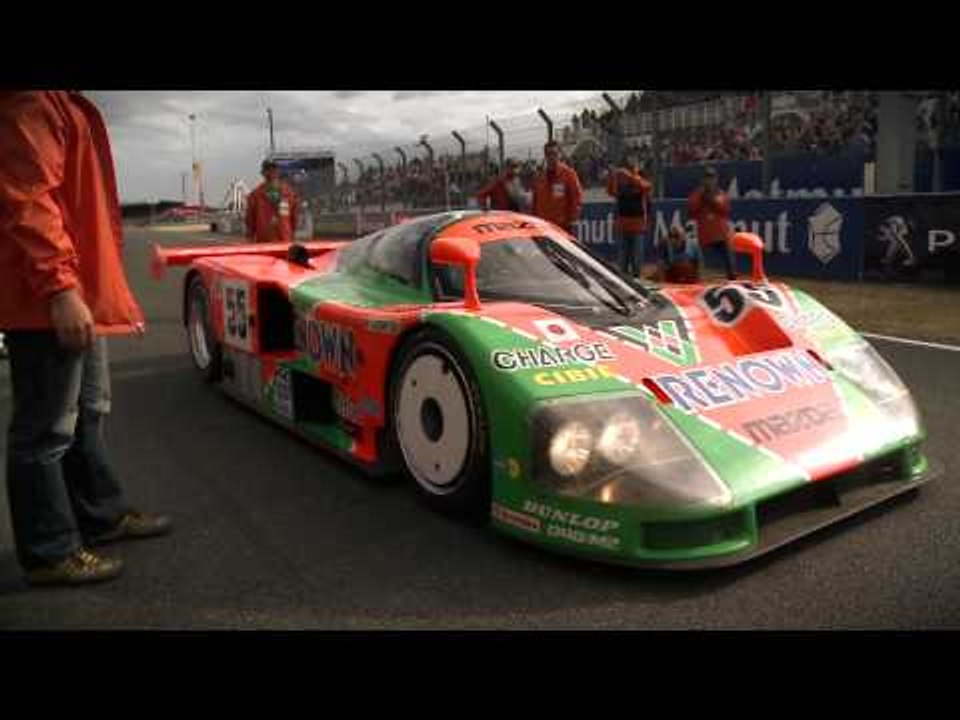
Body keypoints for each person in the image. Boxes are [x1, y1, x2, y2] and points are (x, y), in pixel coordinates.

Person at [0, 91, 171, 586]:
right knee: (45, 430)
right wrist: (59, 288)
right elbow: (29, 199)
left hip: (76, 292)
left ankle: (101, 515)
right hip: (48, 299)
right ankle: (50, 551)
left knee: (87, 411)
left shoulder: (63, 100)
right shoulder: (32, 98)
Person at [606, 151, 652, 278]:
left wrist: (631, 177)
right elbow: (610, 191)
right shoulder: (619, 178)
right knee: (622, 262)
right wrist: (611, 176)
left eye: (634, 160)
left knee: (637, 261)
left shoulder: (642, 175)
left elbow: (647, 187)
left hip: (638, 225)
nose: (632, 162)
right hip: (622, 224)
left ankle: (636, 284)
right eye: (629, 159)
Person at [687, 166, 736, 280]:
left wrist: (711, 200)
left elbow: (726, 210)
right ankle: (696, 278)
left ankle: (732, 278)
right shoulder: (697, 194)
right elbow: (691, 211)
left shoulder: (720, 193)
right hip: (704, 234)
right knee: (697, 257)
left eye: (712, 177)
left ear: (716, 179)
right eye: (707, 177)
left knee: (729, 255)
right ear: (703, 180)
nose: (709, 180)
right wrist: (701, 198)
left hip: (720, 233)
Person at [531, 140, 583, 234]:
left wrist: (573, 221)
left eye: (554, 153)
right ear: (545, 156)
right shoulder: (539, 177)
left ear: (559, 155)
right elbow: (535, 202)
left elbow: (577, 199)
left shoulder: (569, 174)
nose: (551, 157)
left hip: (563, 227)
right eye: (548, 154)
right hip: (544, 227)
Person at [245, 159, 299, 243]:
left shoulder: (290, 194)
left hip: (284, 240)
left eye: (273, 169)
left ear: (278, 172)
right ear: (262, 173)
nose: (271, 172)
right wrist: (250, 237)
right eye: (268, 169)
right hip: (264, 241)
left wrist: (292, 235)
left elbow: (294, 217)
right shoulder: (254, 195)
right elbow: (250, 220)